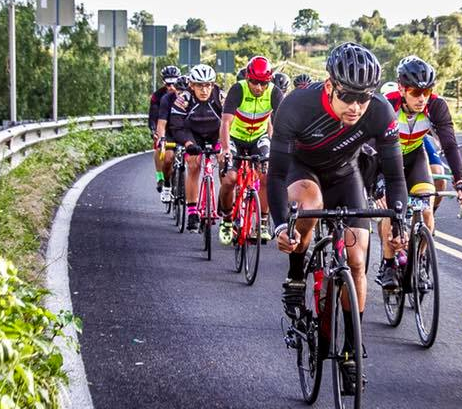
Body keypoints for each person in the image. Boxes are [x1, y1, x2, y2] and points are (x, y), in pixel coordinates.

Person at [268, 42, 407, 389]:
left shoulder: (379, 112)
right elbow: (274, 174)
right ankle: (297, 275)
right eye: (348, 96)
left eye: (364, 97)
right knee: (310, 203)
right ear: (330, 86)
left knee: (357, 261)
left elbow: (395, 175)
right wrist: (282, 224)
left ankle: (351, 349)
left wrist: (400, 219)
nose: (356, 106)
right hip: (303, 171)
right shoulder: (296, 107)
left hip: (346, 175)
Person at [376, 56, 462, 290]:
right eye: (415, 92)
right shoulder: (386, 104)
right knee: (391, 209)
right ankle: (388, 264)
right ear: (401, 89)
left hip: (415, 157)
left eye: (426, 91)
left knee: (426, 208)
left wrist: (460, 180)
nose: (421, 98)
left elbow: (449, 144)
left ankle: (419, 261)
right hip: (385, 160)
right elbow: (369, 145)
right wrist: (376, 181)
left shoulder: (436, 106)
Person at [218, 56, 284, 244]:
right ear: (248, 78)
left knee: (266, 176)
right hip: (235, 137)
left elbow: (282, 126)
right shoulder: (238, 89)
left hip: (258, 138)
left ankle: (262, 224)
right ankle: (227, 220)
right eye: (254, 82)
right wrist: (225, 149)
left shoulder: (274, 93)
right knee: (229, 179)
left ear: (268, 81)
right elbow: (225, 122)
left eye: (263, 83)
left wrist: (282, 151)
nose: (258, 87)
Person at [168, 64, 224, 231]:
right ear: (191, 85)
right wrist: (188, 144)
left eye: (208, 85)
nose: (204, 90)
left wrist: (223, 144)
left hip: (216, 133)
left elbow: (230, 122)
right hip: (193, 134)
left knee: (225, 165)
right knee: (193, 164)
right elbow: (176, 127)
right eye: (199, 85)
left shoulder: (221, 97)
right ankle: (192, 212)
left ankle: (224, 202)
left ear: (212, 85)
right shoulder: (183, 99)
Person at [149, 65, 181, 196]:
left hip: (178, 127)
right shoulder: (158, 96)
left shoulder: (184, 92)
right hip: (162, 124)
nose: (172, 87)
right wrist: (154, 131)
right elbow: (153, 116)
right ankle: (160, 177)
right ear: (164, 82)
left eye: (174, 83)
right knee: (159, 147)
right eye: (168, 84)